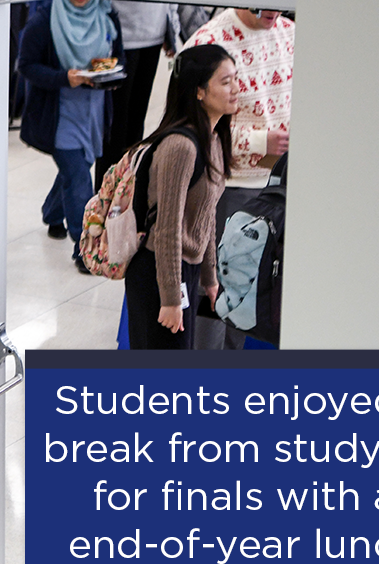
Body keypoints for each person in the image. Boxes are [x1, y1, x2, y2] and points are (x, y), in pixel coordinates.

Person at [185, 8, 292, 349]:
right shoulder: (210, 41)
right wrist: (260, 141)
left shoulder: (291, 32)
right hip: (230, 188)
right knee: (215, 294)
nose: (272, 12)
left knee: (256, 297)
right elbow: (192, 126)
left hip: (280, 187)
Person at [124, 43, 233, 350]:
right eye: (226, 82)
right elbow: (168, 227)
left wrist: (209, 277)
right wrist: (171, 298)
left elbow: (206, 214)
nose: (237, 89)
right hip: (159, 270)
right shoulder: (180, 147)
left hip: (184, 269)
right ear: (199, 91)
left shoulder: (212, 139)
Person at [18, 0, 125, 275]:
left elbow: (119, 61)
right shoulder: (44, 20)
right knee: (78, 176)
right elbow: (27, 65)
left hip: (94, 113)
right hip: (60, 115)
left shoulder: (106, 13)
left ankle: (53, 214)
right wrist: (65, 77)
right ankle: (85, 249)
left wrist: (100, 71)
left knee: (76, 169)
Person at [96, 2, 180, 184]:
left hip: (153, 33)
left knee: (135, 125)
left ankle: (125, 195)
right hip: (116, 34)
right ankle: (102, 200)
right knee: (113, 127)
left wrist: (171, 24)